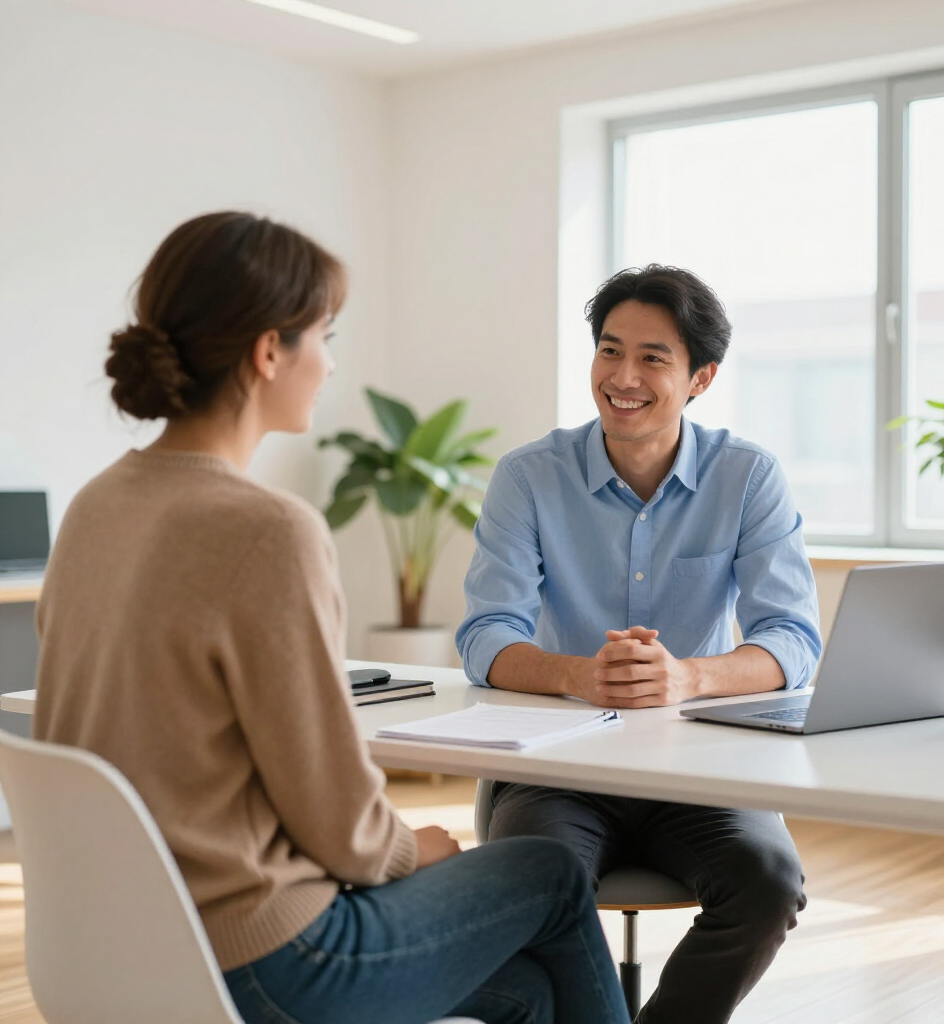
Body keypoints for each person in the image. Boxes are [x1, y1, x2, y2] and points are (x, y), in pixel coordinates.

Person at [32, 212, 632, 1024]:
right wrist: (406, 849)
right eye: (325, 333)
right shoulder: (266, 530)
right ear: (268, 351)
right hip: (267, 959)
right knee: (552, 875)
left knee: (529, 994)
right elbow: (332, 806)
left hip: (119, 944)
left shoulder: (94, 507)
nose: (331, 361)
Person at [456, 264, 823, 1024]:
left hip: (696, 770)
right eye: (609, 351)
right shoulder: (529, 477)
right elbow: (487, 635)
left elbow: (791, 638)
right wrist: (579, 676)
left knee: (770, 883)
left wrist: (688, 677)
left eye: (653, 358)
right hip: (555, 767)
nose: (623, 377)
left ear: (701, 377)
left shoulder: (748, 477)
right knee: (531, 885)